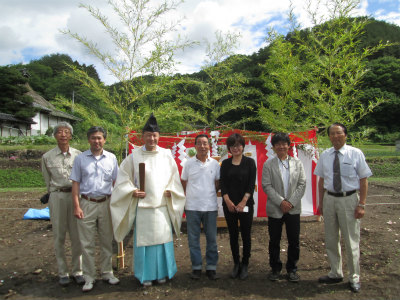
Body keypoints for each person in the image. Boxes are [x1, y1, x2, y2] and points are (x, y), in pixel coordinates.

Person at [110, 113, 186, 287]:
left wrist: (171, 191)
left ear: (159, 136)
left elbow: (175, 178)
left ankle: (164, 273)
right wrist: (132, 191)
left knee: (162, 241)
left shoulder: (167, 155)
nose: (151, 138)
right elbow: (123, 179)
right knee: (145, 243)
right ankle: (145, 275)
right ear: (142, 136)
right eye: (148, 135)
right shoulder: (134, 156)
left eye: (154, 135)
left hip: (161, 207)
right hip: (143, 208)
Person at [314, 123, 372, 293]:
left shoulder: (355, 154)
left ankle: (354, 277)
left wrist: (362, 204)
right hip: (330, 199)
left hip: (349, 200)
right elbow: (321, 181)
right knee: (331, 239)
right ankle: (335, 272)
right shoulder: (325, 155)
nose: (335, 136)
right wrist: (321, 202)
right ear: (329, 137)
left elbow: (363, 180)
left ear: (345, 135)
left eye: (339, 133)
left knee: (351, 240)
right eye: (332, 134)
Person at [70, 126, 120, 292]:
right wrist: (77, 206)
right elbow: (75, 183)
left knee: (107, 240)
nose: (96, 141)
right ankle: (89, 277)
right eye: (93, 138)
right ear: (88, 139)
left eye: (99, 138)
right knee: (87, 242)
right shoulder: (80, 159)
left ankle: (107, 272)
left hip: (106, 203)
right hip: (87, 203)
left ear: (104, 140)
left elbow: (116, 182)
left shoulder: (111, 158)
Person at [41, 122, 84, 287]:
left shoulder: (78, 156)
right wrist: (52, 195)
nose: (63, 135)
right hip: (57, 196)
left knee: (76, 236)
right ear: (55, 135)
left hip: (75, 198)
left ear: (71, 136)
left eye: (67, 132)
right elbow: (47, 180)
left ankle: (77, 271)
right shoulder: (47, 157)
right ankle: (62, 272)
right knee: (59, 236)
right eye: (60, 132)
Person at [261, 132, 306, 283]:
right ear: (273, 147)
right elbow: (266, 185)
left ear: (289, 145)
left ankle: (292, 269)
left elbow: (302, 184)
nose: (281, 146)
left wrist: (291, 202)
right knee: (274, 240)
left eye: (284, 143)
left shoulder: (297, 163)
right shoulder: (268, 164)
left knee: (294, 240)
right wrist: (281, 202)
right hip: (275, 208)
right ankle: (275, 268)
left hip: (293, 208)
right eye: (278, 144)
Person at [181, 134, 220, 280]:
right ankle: (196, 267)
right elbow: (184, 182)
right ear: (195, 146)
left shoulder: (215, 164)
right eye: (199, 143)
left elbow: (217, 184)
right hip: (192, 207)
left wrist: (207, 194)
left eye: (205, 143)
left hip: (210, 207)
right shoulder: (188, 163)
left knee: (212, 239)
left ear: (209, 145)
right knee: (193, 239)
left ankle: (211, 267)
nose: (202, 146)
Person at [220, 133, 256, 280]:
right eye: (233, 145)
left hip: (245, 205)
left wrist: (243, 202)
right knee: (233, 235)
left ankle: (245, 263)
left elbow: (250, 185)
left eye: (239, 145)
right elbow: (223, 185)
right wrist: (228, 202)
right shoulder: (225, 164)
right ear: (229, 148)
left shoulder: (250, 163)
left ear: (243, 146)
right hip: (229, 206)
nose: (236, 148)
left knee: (246, 235)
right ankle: (236, 264)